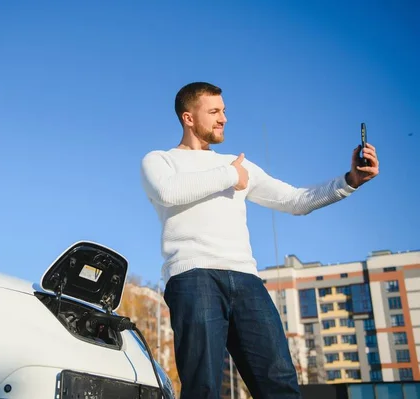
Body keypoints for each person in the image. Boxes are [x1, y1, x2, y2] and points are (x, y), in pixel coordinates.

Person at [140, 82, 379, 399]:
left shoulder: (238, 165)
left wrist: (349, 182)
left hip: (247, 280)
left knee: (279, 382)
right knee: (203, 385)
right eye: (214, 111)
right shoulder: (160, 160)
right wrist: (229, 176)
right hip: (193, 276)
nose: (223, 118)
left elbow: (295, 200)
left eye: (224, 111)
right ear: (188, 117)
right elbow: (168, 193)